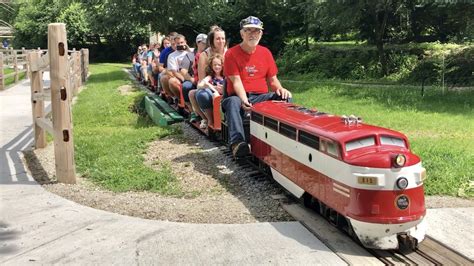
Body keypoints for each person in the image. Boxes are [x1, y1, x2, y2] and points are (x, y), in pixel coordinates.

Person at [223, 16, 291, 158]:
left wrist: (281, 89)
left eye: (256, 31)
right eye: (248, 30)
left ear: (261, 34)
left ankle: (285, 138)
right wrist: (243, 99)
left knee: (285, 97)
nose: (253, 34)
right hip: (237, 96)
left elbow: (273, 80)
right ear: (242, 34)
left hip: (260, 96)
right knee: (233, 102)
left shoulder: (265, 52)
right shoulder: (231, 54)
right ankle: (237, 143)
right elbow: (236, 81)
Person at [196, 54, 225, 128]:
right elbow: (200, 85)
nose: (217, 67)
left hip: (224, 96)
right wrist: (209, 86)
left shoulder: (225, 77)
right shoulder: (210, 77)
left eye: (219, 65)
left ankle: (222, 118)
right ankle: (214, 119)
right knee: (215, 95)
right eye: (214, 65)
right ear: (211, 66)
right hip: (214, 98)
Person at [167, 34, 195, 110]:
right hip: (180, 76)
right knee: (172, 81)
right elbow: (174, 71)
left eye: (182, 42)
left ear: (185, 42)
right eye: (178, 43)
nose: (180, 45)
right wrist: (185, 79)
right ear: (175, 44)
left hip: (193, 75)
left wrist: (188, 50)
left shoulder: (192, 51)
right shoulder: (172, 56)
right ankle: (180, 100)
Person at [188, 33, 208, 123]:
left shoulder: (208, 53)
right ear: (198, 43)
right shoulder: (195, 55)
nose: (206, 45)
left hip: (210, 80)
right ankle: (204, 118)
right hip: (199, 81)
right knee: (191, 92)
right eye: (203, 43)